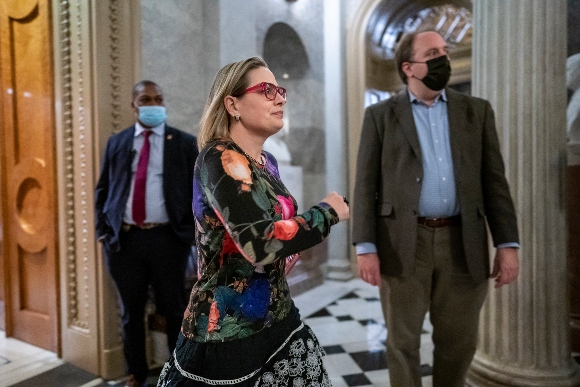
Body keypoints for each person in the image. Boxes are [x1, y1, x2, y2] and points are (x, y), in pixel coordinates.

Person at [157, 56, 349, 386]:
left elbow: (274, 235)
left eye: (281, 90)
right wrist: (326, 212)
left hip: (277, 315)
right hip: (227, 331)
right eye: (266, 90)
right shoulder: (219, 157)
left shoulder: (267, 162)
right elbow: (258, 242)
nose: (280, 97)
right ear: (232, 104)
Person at [352, 30, 520, 387]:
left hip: (464, 242)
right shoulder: (380, 116)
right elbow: (365, 185)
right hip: (402, 243)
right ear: (409, 67)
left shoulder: (476, 111)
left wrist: (508, 244)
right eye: (433, 53)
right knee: (402, 344)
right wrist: (365, 247)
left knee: (459, 343)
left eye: (446, 50)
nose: (443, 58)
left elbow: (495, 182)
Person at [95, 80, 198, 387]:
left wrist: (190, 234)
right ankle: (135, 375)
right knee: (131, 313)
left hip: (168, 241)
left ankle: (179, 374)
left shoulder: (183, 143)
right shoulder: (117, 142)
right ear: (134, 105)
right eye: (145, 99)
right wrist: (103, 230)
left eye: (158, 99)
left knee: (174, 310)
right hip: (124, 242)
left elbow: (198, 193)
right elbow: (104, 189)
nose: (153, 104)